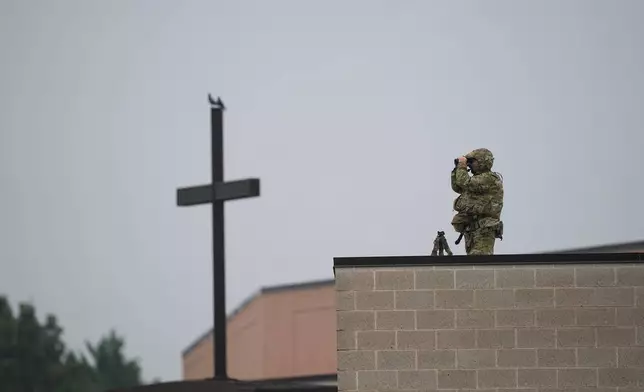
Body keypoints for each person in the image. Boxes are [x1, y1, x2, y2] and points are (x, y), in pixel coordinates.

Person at [450, 148, 504, 255]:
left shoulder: (490, 178)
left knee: (479, 261)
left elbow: (465, 182)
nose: (470, 165)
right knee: (472, 263)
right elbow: (457, 187)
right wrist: (457, 168)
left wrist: (462, 166)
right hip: (471, 229)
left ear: (482, 162)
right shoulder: (476, 180)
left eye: (472, 161)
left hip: (484, 230)